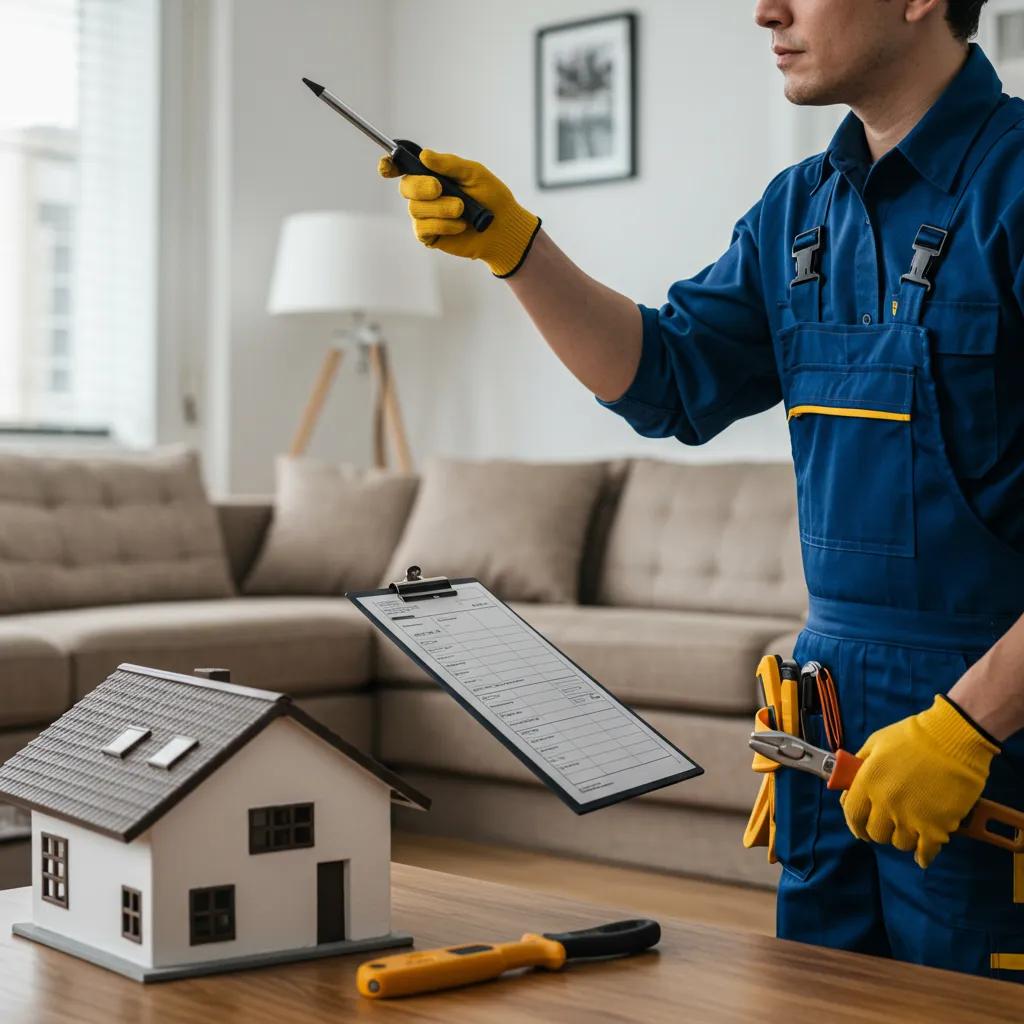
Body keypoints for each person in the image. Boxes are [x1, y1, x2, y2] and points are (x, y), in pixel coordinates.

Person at [380, 0, 1024, 981]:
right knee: (820, 999)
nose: (765, 10)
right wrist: (517, 249)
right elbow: (666, 379)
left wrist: (967, 725)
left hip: (994, 729)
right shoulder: (798, 209)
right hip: (827, 719)